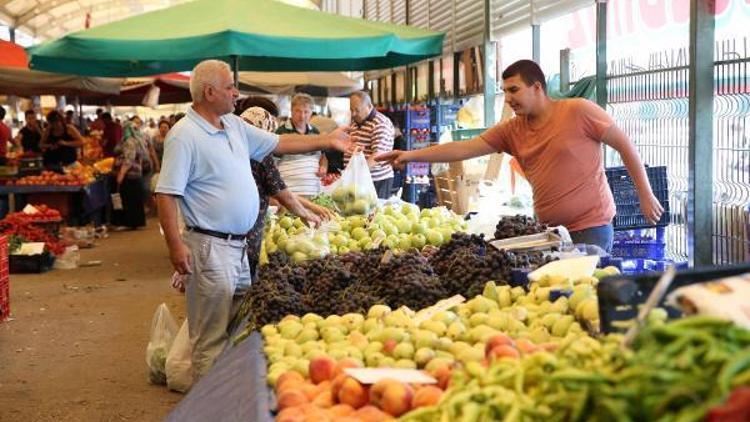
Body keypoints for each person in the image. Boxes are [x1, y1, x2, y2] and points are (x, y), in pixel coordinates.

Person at [155, 60, 352, 379]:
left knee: (236, 322)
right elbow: (166, 194)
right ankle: (210, 406)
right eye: (230, 86)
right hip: (209, 247)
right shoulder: (184, 135)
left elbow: (280, 143)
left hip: (238, 248)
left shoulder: (232, 125)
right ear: (209, 92)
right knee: (209, 339)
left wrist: (326, 141)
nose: (236, 93)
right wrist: (175, 248)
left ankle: (226, 393)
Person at [377, 60, 663, 252]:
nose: (509, 98)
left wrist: (645, 195)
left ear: (537, 87)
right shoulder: (512, 130)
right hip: (549, 231)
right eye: (505, 92)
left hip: (592, 226)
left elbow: (625, 145)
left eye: (514, 90)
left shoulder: (579, 111)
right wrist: (411, 154)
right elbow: (464, 148)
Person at [238, 105, 335, 278]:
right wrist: (306, 213)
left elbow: (276, 193)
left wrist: (309, 206)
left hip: (222, 238)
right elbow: (281, 195)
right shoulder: (260, 155)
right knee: (239, 290)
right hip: (246, 237)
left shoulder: (232, 150)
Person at [274, 93, 326, 197]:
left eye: (306, 112)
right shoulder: (281, 132)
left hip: (314, 193)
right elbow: (273, 163)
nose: (302, 116)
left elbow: (323, 157)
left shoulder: (315, 132)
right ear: (291, 111)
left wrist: (323, 166)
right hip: (290, 193)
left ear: (311, 112)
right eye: (298, 111)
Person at [347, 91, 395, 199]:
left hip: (377, 181)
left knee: (374, 213)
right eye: (351, 110)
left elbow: (378, 156)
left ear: (369, 106)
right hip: (360, 180)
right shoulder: (356, 122)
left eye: (357, 110)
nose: (353, 114)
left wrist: (354, 173)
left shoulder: (380, 124)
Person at [112, 117, 148, 230]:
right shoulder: (137, 140)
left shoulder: (129, 141)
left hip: (129, 174)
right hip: (136, 173)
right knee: (134, 198)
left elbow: (129, 159)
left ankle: (129, 222)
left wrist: (121, 174)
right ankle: (135, 222)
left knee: (128, 198)